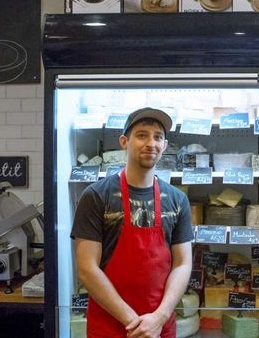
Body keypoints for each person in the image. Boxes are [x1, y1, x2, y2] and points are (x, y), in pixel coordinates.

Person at [72, 107, 194, 338]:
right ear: (124, 141)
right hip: (111, 326)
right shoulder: (97, 196)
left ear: (165, 146)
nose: (151, 143)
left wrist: (158, 318)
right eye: (142, 135)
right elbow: (87, 269)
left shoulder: (178, 200)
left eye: (158, 137)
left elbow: (183, 264)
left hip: (160, 326)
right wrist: (135, 323)